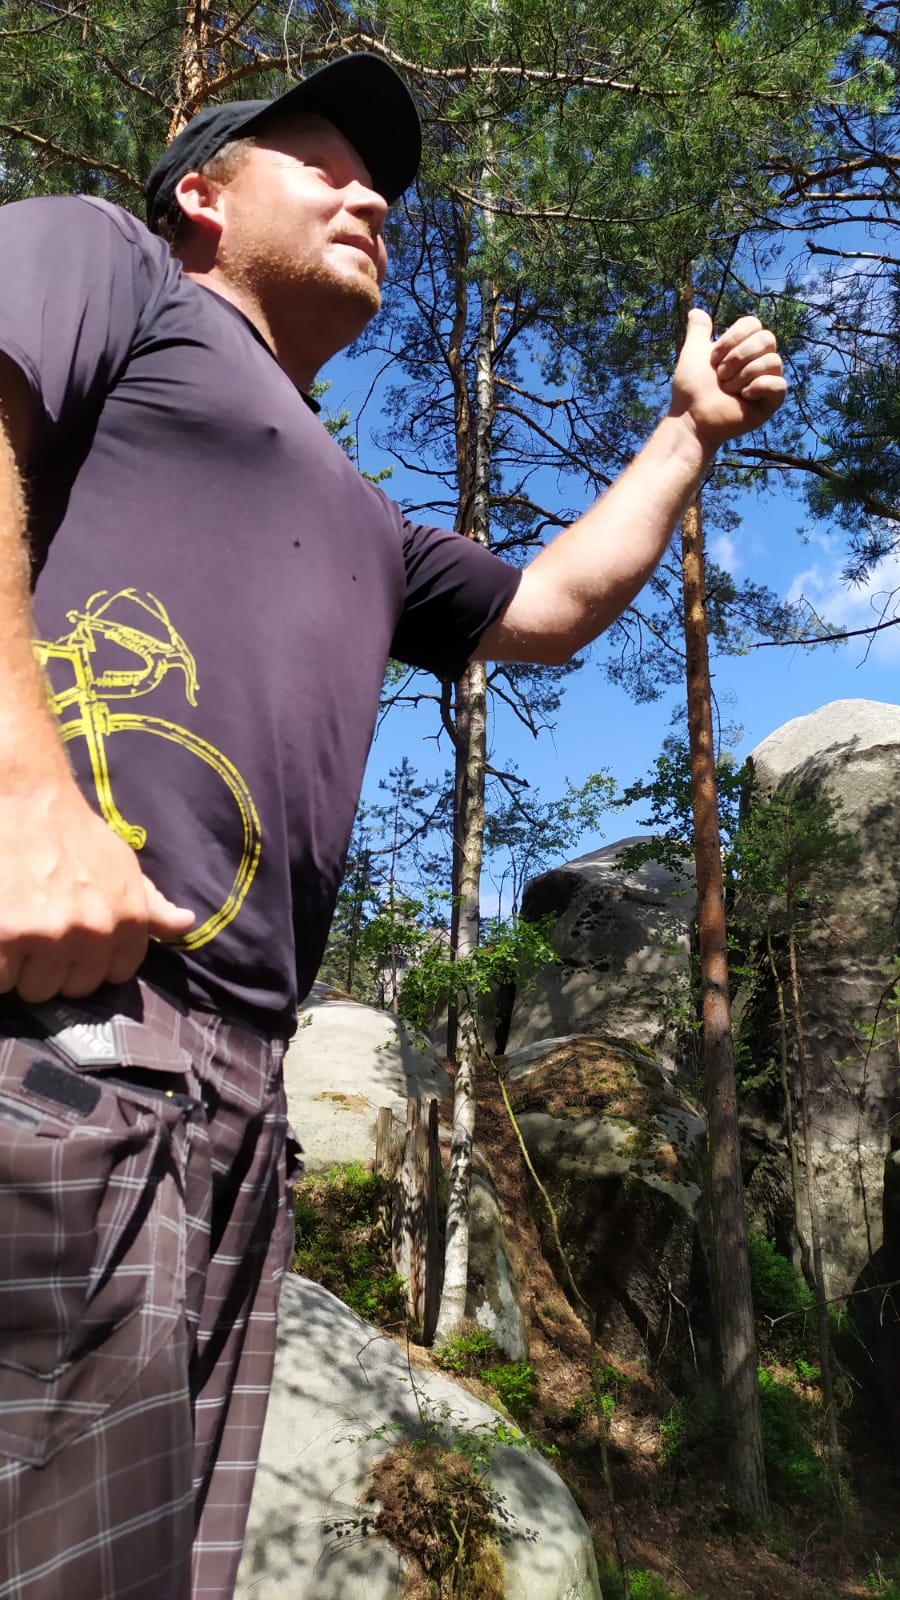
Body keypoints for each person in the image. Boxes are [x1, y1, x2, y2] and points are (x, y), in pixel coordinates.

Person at [0, 51, 786, 1600]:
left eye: (386, 186)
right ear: (201, 195)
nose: (373, 197)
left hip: (236, 1098)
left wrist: (688, 432)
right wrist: (20, 788)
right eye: (326, 163)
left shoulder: (363, 512)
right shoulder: (108, 265)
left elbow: (548, 608)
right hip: (61, 1007)